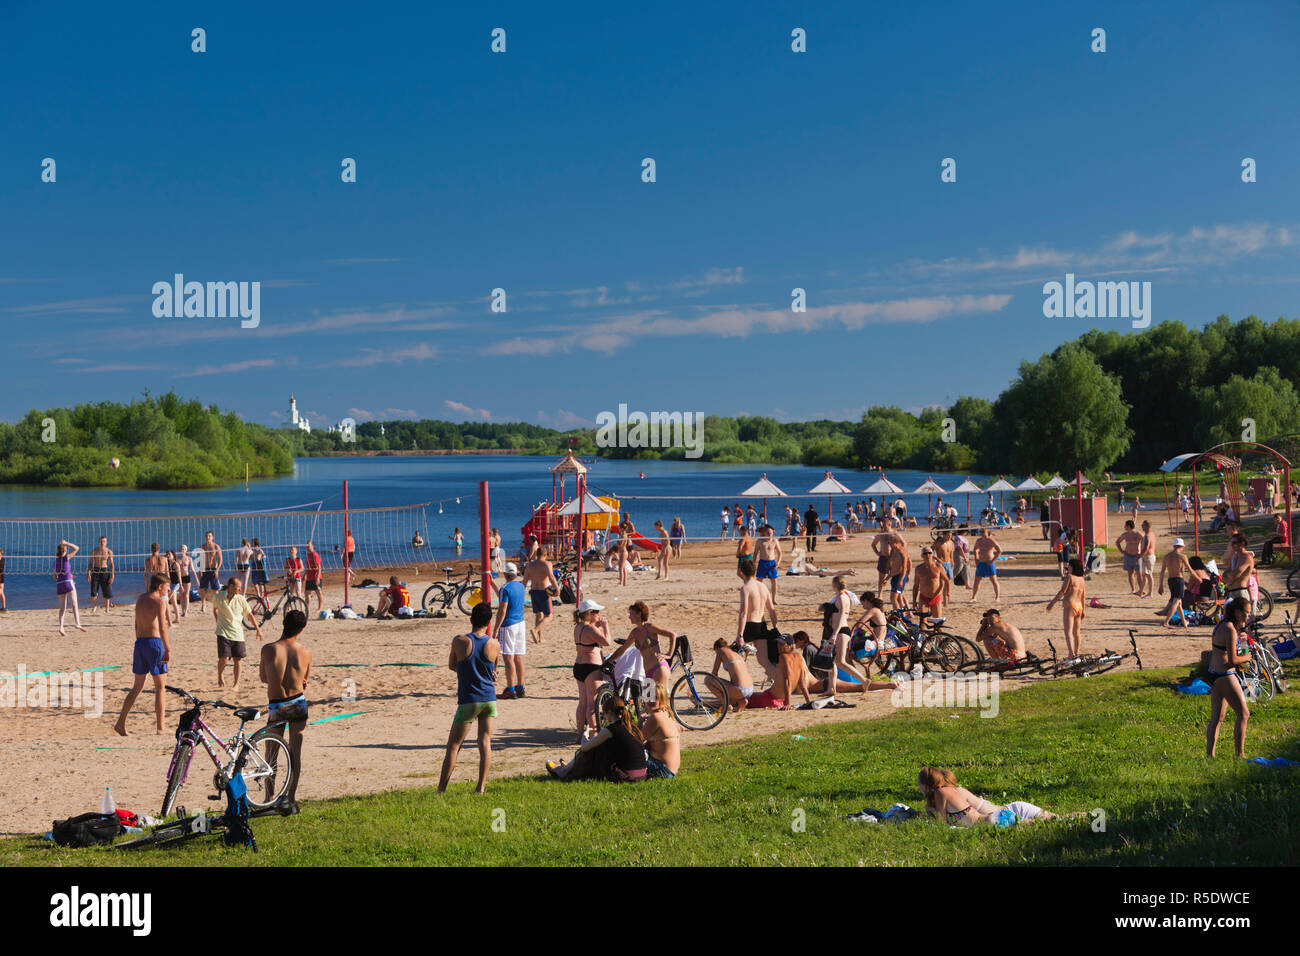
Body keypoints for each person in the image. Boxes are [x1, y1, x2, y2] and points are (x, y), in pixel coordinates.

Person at [438, 601, 498, 793]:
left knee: (454, 746)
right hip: (489, 698)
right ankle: (480, 787)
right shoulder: (495, 644)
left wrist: (467, 672)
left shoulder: (460, 641)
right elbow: (494, 672)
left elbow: (452, 665)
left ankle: (441, 790)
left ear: (471, 619)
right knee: (485, 742)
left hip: (469, 699)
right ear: (489, 622)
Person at [259, 608, 312, 808]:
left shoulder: (268, 649)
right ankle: (290, 796)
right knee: (294, 751)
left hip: (277, 704)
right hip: (297, 701)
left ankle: (269, 797)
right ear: (301, 629)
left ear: (283, 624)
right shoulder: (306, 652)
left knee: (271, 751)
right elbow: (305, 680)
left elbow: (264, 678)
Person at [112, 573, 173, 735]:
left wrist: (140, 641)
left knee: (137, 687)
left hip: (140, 643)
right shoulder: (159, 601)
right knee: (160, 687)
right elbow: (162, 627)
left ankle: (120, 723)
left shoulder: (140, 599)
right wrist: (168, 648)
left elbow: (136, 624)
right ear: (160, 587)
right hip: (154, 644)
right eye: (167, 586)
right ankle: (161, 727)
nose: (169, 589)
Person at [546, 695, 647, 782]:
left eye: (604, 713)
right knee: (602, 746)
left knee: (595, 748)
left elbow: (585, 747)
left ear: (610, 712)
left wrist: (585, 734)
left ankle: (564, 771)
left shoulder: (612, 729)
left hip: (626, 776)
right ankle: (569, 768)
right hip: (642, 774)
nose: (604, 717)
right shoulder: (632, 727)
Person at [918, 767, 1058, 827]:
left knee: (1047, 823)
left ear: (926, 785)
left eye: (920, 785)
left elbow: (941, 823)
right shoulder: (950, 790)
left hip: (994, 821)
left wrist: (928, 811)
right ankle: (1078, 817)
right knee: (1052, 821)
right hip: (997, 817)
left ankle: (1079, 817)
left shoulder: (940, 793)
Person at [1206, 598, 1252, 758]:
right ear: (1238, 612)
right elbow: (1233, 660)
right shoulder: (1230, 630)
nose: (1248, 616)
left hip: (1214, 674)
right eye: (1246, 612)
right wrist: (1248, 656)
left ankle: (1209, 755)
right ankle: (1240, 755)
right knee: (1243, 713)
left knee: (1217, 717)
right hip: (1225, 674)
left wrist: (1243, 644)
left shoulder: (1222, 624)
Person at [607, 600, 676, 692]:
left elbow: (672, 635)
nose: (629, 617)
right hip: (647, 672)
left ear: (639, 614)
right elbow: (622, 649)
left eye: (631, 614)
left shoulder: (650, 627)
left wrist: (669, 654)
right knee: (649, 704)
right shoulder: (634, 632)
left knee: (660, 704)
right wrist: (608, 660)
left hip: (659, 668)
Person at [572, 599, 611, 742]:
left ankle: (579, 735)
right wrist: (606, 627)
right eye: (597, 612)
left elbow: (589, 638)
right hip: (591, 667)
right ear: (589, 613)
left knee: (582, 702)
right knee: (592, 703)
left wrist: (596, 626)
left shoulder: (578, 627)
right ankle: (594, 735)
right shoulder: (591, 629)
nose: (599, 614)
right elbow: (607, 642)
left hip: (579, 665)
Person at [214, 577, 263, 692]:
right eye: (238, 587)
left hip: (237, 633)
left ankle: (236, 684)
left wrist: (258, 629)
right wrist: (218, 622)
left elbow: (250, 615)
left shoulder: (241, 599)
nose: (240, 589)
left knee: (238, 660)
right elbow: (215, 610)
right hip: (223, 631)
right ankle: (220, 674)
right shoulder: (218, 597)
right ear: (231, 587)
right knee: (224, 658)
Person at [737, 558, 779, 682]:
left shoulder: (745, 588)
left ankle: (739, 682)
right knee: (763, 660)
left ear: (741, 572)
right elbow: (771, 610)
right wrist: (775, 627)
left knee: (736, 655)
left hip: (750, 626)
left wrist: (740, 634)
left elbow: (744, 613)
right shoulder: (763, 586)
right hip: (761, 625)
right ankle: (779, 681)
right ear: (755, 571)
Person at [493, 562, 528, 699]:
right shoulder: (520, 586)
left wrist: (496, 628)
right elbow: (505, 597)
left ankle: (511, 688)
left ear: (505, 574)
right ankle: (520, 687)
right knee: (519, 656)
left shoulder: (505, 588)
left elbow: (502, 609)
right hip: (520, 623)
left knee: (508, 658)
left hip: (508, 624)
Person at [1046, 557, 1087, 658]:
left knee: (1068, 631)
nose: (1067, 567)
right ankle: (1077, 652)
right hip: (1079, 606)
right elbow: (1083, 596)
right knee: (1077, 632)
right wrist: (1084, 610)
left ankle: (1071, 653)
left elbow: (1062, 591)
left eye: (1069, 566)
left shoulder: (1069, 577)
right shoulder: (1082, 579)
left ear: (1072, 567)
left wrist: (1052, 603)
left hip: (1070, 605)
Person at [641, 684, 680, 779]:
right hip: (670, 771)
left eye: (655, 697)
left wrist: (639, 723)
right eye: (648, 697)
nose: (651, 700)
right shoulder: (667, 714)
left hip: (662, 770)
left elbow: (637, 741)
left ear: (662, 699)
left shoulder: (656, 717)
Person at [522, 547, 559, 644]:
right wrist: (557, 589)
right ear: (546, 555)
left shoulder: (530, 565)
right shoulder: (547, 564)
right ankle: (535, 630)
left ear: (536, 555)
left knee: (539, 614)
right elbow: (551, 577)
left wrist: (521, 592)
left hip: (534, 591)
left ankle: (540, 637)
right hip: (544, 591)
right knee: (549, 616)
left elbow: (525, 580)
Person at [1156, 538, 1194, 628]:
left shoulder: (1167, 556)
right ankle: (1166, 622)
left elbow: (1162, 572)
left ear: (1174, 546)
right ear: (1182, 546)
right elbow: (1190, 570)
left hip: (1170, 580)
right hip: (1179, 579)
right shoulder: (1182, 556)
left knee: (1179, 602)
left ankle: (1184, 622)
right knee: (1176, 601)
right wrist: (1199, 578)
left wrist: (1160, 585)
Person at [710, 638, 754, 711]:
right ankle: (742, 701)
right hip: (750, 689)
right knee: (730, 691)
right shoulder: (735, 654)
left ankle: (726, 705)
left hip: (740, 689)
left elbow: (714, 674)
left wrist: (717, 689)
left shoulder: (721, 651)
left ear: (716, 648)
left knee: (708, 679)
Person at [54, 540, 86, 635]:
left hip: (59, 585)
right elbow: (77, 548)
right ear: (64, 551)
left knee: (62, 608)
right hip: (68, 583)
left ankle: (61, 628)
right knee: (74, 604)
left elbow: (55, 576)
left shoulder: (55, 561)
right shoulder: (66, 558)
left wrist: (67, 574)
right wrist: (66, 543)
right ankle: (77, 623)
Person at [911, 547, 950, 617]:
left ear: (933, 555)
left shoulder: (938, 566)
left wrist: (948, 593)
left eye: (929, 553)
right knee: (923, 622)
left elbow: (946, 580)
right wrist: (914, 601)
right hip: (923, 597)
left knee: (937, 623)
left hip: (936, 597)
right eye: (925, 553)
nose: (927, 555)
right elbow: (916, 585)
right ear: (922, 556)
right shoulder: (918, 568)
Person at [970, 530, 1002, 602]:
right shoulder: (979, 541)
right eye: (980, 532)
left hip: (989, 562)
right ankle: (974, 597)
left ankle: (997, 597)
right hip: (981, 563)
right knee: (977, 580)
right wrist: (976, 560)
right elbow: (975, 550)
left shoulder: (991, 540)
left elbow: (999, 551)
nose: (981, 533)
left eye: (983, 532)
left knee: (993, 580)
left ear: (987, 532)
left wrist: (992, 560)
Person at [754, 524, 782, 604]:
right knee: (759, 581)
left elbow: (780, 553)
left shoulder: (775, 541)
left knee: (774, 582)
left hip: (772, 563)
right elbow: (755, 553)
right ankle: (758, 598)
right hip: (762, 562)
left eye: (771, 533)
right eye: (768, 533)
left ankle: (773, 599)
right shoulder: (760, 541)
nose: (770, 534)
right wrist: (753, 563)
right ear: (765, 533)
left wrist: (778, 563)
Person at [87, 535, 115, 613]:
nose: (102, 543)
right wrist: (88, 573)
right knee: (93, 593)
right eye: (101, 541)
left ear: (106, 542)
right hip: (95, 571)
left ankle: (107, 608)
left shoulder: (109, 551)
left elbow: (112, 564)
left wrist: (112, 576)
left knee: (107, 591)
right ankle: (95, 605)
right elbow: (90, 563)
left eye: (104, 541)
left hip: (105, 571)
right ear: (98, 542)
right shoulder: (94, 551)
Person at [1115, 520, 1143, 594]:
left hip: (1137, 556)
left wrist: (1142, 551)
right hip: (1128, 556)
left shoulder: (1138, 534)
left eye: (1125, 525)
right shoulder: (1125, 534)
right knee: (1130, 573)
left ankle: (1141, 590)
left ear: (1129, 526)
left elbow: (1145, 541)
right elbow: (1117, 542)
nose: (1124, 527)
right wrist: (1121, 551)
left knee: (1139, 574)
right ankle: (1133, 589)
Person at [886, 540, 912, 610]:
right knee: (900, 596)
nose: (890, 545)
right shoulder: (894, 551)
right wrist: (887, 578)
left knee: (894, 598)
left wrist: (902, 579)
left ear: (896, 542)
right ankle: (906, 613)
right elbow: (894, 567)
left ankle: (899, 615)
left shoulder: (902, 552)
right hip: (895, 577)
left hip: (899, 577)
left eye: (891, 543)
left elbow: (906, 566)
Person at [200, 531, 223, 606]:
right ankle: (203, 604)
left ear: (212, 537)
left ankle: (216, 604)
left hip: (213, 569)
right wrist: (200, 570)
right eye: (206, 536)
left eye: (209, 536)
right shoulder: (202, 547)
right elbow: (201, 559)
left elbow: (220, 559)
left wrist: (217, 570)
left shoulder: (216, 546)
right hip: (204, 569)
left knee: (215, 588)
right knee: (203, 589)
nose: (208, 537)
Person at [1137, 519, 1157, 598]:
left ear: (1146, 526)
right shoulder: (1149, 534)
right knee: (1145, 575)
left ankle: (1150, 593)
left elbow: (1146, 548)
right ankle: (1141, 591)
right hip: (1146, 557)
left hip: (1148, 557)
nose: (1141, 526)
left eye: (1143, 525)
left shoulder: (1148, 535)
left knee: (1149, 575)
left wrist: (1139, 556)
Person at [303, 539, 323, 612]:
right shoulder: (308, 555)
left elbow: (319, 568)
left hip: (315, 577)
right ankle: (307, 608)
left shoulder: (315, 555)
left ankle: (319, 608)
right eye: (307, 546)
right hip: (309, 577)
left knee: (318, 592)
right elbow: (307, 567)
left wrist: (317, 578)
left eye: (309, 545)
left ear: (313, 546)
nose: (307, 547)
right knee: (307, 593)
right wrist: (304, 575)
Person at [164, 549, 181, 624]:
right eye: (167, 554)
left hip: (176, 584)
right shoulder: (166, 563)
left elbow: (179, 576)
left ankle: (166, 617)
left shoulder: (175, 564)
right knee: (174, 601)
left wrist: (181, 585)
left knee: (166, 600)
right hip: (170, 584)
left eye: (169, 554)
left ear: (173, 556)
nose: (167, 555)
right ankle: (177, 618)